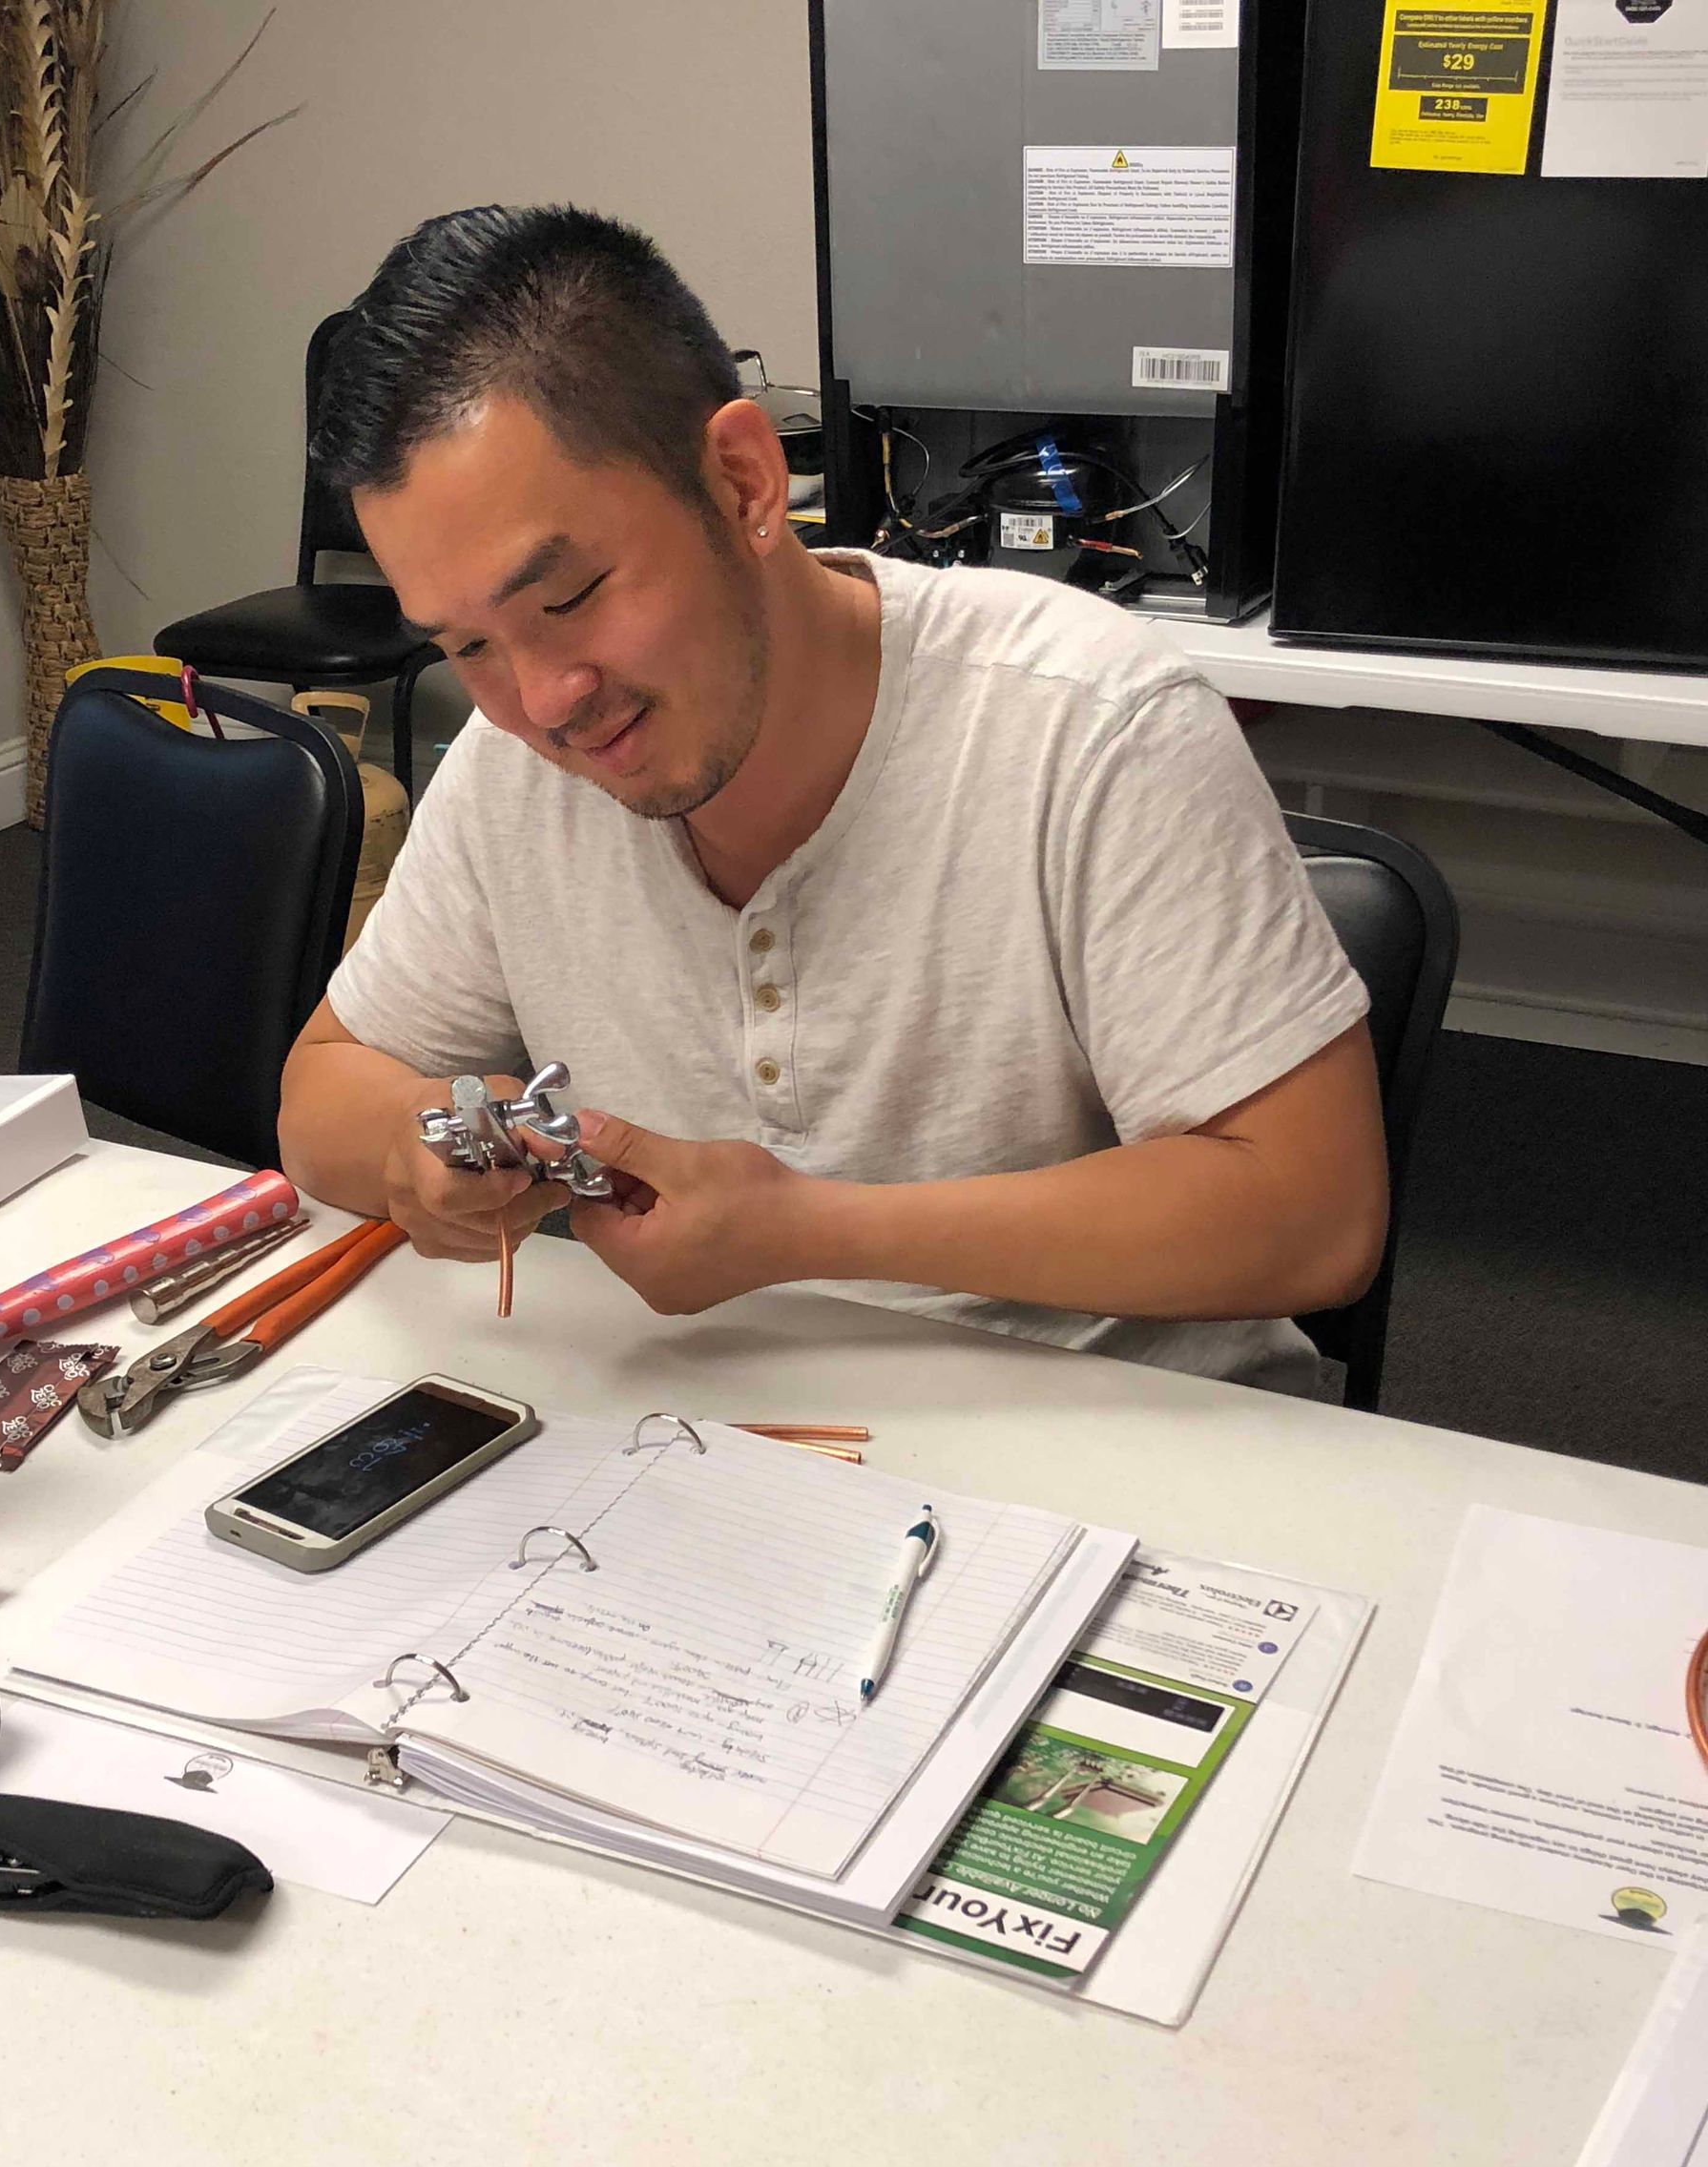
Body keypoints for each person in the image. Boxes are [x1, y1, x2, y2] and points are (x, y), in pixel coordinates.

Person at [280, 203, 1386, 1393]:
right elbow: (320, 1093)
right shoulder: (513, 778)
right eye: (469, 647)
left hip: (1113, 1437)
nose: (545, 701)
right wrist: (420, 1148)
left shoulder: (1090, 725)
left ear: (744, 481)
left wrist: (808, 1229)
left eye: (570, 599)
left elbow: (1313, 1213)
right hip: (723, 1440)